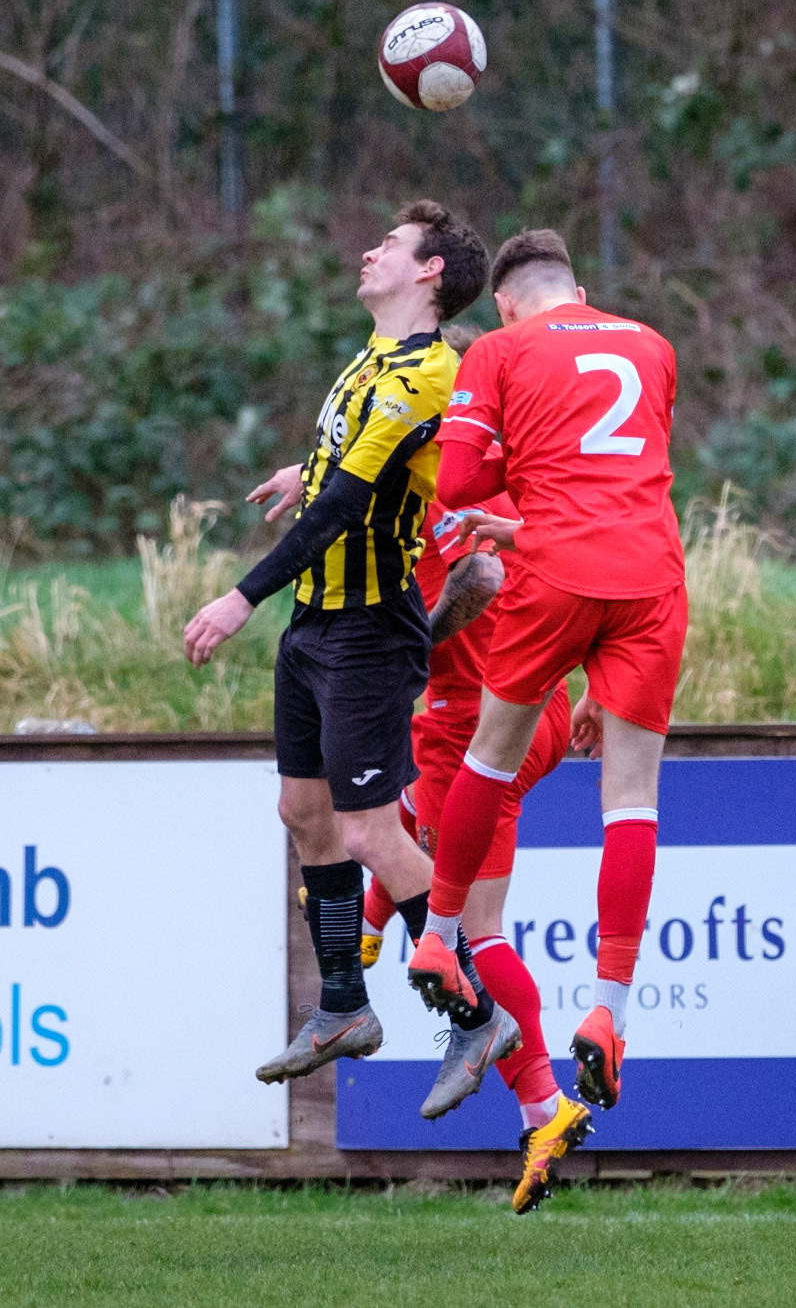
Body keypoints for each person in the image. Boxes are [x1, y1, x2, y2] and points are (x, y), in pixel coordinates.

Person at [183, 201, 520, 1115]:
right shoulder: (372, 361)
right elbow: (342, 468)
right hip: (316, 626)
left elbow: (343, 510)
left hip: (368, 629)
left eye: (393, 246)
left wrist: (239, 594)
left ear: (430, 278)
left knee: (373, 831)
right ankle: (342, 1005)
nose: (369, 249)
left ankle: (475, 1013)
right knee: (304, 812)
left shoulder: (429, 374)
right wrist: (307, 466)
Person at [405, 227, 688, 1114]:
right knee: (632, 799)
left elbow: (455, 488)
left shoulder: (497, 350)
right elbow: (617, 482)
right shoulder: (652, 345)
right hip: (651, 576)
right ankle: (610, 1012)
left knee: (489, 757)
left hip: (558, 575)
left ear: (506, 300)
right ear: (575, 283)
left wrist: (508, 488)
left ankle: (440, 936)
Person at [361, 470, 593, 1213]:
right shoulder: (500, 474)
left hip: (479, 723)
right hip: (530, 701)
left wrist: (409, 649)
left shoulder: (441, 483)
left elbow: (486, 575)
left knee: (472, 935)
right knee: (393, 821)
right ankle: (366, 929)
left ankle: (546, 1107)